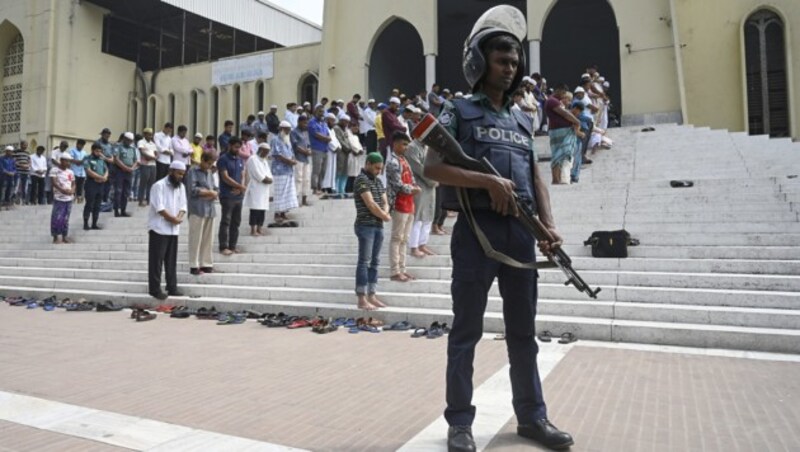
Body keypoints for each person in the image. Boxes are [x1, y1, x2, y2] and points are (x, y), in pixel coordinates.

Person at [423, 6, 573, 451]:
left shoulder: (523, 119)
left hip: (520, 236)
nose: (509, 69)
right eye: (501, 60)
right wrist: (486, 180)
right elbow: (433, 167)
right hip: (475, 233)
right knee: (465, 332)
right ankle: (460, 424)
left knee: (524, 335)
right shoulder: (457, 110)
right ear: (480, 62)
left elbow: (535, 175)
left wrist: (547, 226)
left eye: (514, 62)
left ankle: (532, 418)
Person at [353, 152, 391, 311]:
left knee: (375, 261)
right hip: (365, 226)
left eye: (380, 169)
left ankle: (372, 295)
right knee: (364, 261)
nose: (378, 171)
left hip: (378, 225)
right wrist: (385, 215)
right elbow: (370, 204)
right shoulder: (361, 180)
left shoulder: (377, 181)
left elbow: (384, 200)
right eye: (376, 168)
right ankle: (362, 298)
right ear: (368, 163)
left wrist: (385, 212)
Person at [148, 161, 187, 300]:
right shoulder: (158, 186)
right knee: (156, 261)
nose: (181, 177)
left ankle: (172, 287)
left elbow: (183, 206)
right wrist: (173, 219)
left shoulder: (181, 187)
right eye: (179, 173)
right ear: (171, 171)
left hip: (173, 229)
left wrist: (179, 217)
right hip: (159, 229)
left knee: (171, 261)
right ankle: (154, 289)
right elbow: (160, 208)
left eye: (183, 174)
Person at [385, 132, 420, 282]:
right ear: (395, 144)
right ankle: (395, 271)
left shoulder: (404, 160)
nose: (406, 147)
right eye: (403, 144)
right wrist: (412, 189)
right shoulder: (392, 162)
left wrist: (415, 187)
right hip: (399, 203)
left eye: (407, 144)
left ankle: (403, 269)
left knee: (405, 239)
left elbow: (411, 179)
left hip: (409, 203)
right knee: (396, 238)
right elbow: (397, 185)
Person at [185, 152, 218, 275]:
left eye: (212, 164)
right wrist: (210, 193)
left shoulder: (209, 173)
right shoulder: (193, 172)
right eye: (208, 163)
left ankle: (206, 264)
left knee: (208, 239)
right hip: (197, 209)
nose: (210, 166)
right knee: (195, 238)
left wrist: (214, 193)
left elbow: (215, 187)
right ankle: (194, 265)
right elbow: (193, 190)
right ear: (203, 159)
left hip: (210, 208)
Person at [405, 136, 438, 258]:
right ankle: (414, 247)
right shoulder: (412, 147)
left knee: (428, 215)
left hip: (430, 184)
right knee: (418, 216)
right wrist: (433, 180)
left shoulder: (427, 147)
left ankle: (423, 244)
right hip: (419, 184)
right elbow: (418, 168)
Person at [545, 84, 582, 185]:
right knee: (558, 155)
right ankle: (556, 179)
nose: (563, 95)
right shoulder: (552, 101)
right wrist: (577, 121)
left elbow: (566, 112)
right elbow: (564, 114)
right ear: (559, 91)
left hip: (562, 131)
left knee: (562, 155)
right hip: (558, 131)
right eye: (563, 93)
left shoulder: (557, 101)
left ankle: (558, 178)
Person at [217, 137, 246, 255]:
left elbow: (243, 174)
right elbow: (225, 177)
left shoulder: (240, 160)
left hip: (238, 196)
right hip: (227, 195)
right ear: (229, 146)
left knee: (236, 222)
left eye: (239, 147)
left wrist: (241, 187)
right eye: (235, 147)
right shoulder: (223, 159)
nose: (238, 149)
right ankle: (223, 246)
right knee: (226, 221)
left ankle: (232, 246)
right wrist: (240, 186)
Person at [270, 121, 299, 224]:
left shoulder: (287, 139)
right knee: (279, 193)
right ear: (281, 129)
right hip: (279, 171)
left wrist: (293, 160)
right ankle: (277, 214)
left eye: (289, 129)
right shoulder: (275, 139)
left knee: (287, 193)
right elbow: (277, 154)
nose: (288, 131)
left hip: (288, 170)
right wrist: (289, 161)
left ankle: (283, 213)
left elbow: (290, 153)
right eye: (286, 129)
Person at [243, 143, 273, 235]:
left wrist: (269, 179)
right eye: (265, 152)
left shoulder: (264, 161)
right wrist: (265, 179)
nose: (266, 154)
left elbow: (269, 174)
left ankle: (259, 228)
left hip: (264, 189)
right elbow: (257, 174)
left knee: (262, 210)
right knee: (255, 209)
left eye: (267, 152)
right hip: (256, 187)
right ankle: (253, 230)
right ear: (260, 150)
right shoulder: (253, 159)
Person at [50, 153, 75, 244]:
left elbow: (73, 183)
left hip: (69, 198)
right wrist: (62, 190)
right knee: (57, 217)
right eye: (67, 161)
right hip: (59, 198)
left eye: (70, 161)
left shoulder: (70, 172)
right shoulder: (54, 170)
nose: (69, 163)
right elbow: (53, 182)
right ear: (61, 160)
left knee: (66, 218)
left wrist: (72, 190)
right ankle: (55, 236)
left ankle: (65, 236)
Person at [83, 143, 108, 230]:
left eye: (100, 151)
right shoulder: (87, 158)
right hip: (91, 184)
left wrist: (104, 177)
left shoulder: (101, 159)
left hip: (100, 184)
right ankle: (86, 223)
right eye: (97, 151)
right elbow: (88, 170)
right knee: (89, 204)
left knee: (97, 205)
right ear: (92, 150)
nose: (99, 153)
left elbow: (106, 169)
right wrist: (99, 177)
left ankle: (94, 223)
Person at [113, 132, 138, 217]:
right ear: (124, 139)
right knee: (118, 191)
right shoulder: (118, 146)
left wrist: (132, 168)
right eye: (128, 140)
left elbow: (135, 160)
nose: (130, 142)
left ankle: (123, 210)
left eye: (131, 141)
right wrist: (125, 167)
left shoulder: (133, 148)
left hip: (129, 172)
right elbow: (116, 159)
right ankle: (116, 210)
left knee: (126, 192)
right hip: (120, 171)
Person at [308, 104, 331, 194]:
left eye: (323, 112)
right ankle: (314, 188)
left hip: (325, 149)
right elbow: (316, 134)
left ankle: (320, 187)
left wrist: (328, 137)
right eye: (320, 112)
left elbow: (328, 133)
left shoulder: (323, 123)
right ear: (315, 112)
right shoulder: (311, 122)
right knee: (316, 170)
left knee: (323, 170)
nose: (322, 114)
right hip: (317, 148)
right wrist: (326, 138)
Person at [291, 114, 313, 206]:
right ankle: (296, 199)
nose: (305, 125)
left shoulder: (305, 132)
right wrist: (305, 152)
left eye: (306, 123)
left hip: (306, 159)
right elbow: (295, 146)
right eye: (304, 123)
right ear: (299, 122)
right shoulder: (294, 132)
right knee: (298, 179)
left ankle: (304, 199)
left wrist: (309, 150)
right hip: (298, 158)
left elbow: (308, 144)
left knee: (307, 179)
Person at [137, 128, 158, 206]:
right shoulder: (141, 142)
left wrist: (154, 157)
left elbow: (156, 153)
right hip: (145, 164)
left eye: (151, 134)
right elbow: (142, 152)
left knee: (151, 183)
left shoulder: (153, 144)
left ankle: (149, 200)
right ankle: (141, 200)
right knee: (143, 183)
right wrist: (151, 157)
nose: (150, 136)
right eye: (149, 134)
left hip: (153, 165)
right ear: (144, 134)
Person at [333, 115, 353, 196]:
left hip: (346, 152)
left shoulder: (345, 129)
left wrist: (350, 148)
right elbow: (339, 139)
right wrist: (347, 148)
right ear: (341, 120)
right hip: (341, 151)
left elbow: (347, 140)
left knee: (345, 171)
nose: (346, 123)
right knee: (339, 170)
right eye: (345, 121)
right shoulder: (336, 128)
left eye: (347, 122)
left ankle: (342, 190)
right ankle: (336, 190)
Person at [95, 128, 115, 203]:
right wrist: (107, 159)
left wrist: (111, 159)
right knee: (101, 181)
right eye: (106, 134)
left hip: (110, 165)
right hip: (101, 164)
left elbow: (112, 154)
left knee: (108, 183)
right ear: (102, 134)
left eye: (108, 135)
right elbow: (98, 154)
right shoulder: (98, 143)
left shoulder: (110, 144)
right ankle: (99, 200)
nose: (107, 136)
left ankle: (105, 199)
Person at [346, 120, 366, 192]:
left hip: (357, 157)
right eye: (355, 126)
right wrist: (357, 150)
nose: (357, 128)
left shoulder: (356, 136)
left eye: (358, 126)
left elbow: (360, 146)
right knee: (351, 174)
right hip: (351, 156)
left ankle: (353, 190)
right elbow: (351, 145)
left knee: (356, 174)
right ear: (350, 127)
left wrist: (360, 150)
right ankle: (348, 190)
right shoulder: (348, 134)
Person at [69, 140, 87, 204]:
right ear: (77, 144)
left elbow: (86, 161)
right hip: (74, 171)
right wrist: (78, 162)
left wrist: (84, 162)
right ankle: (72, 200)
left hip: (82, 173)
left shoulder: (84, 152)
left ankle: (79, 201)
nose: (81, 146)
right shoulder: (72, 150)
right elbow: (70, 159)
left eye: (82, 145)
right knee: (73, 185)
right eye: (80, 145)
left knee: (80, 187)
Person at [13, 141, 30, 205]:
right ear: (21, 145)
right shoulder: (16, 152)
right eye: (24, 145)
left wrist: (28, 165)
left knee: (25, 187)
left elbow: (29, 161)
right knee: (17, 186)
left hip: (26, 172)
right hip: (18, 171)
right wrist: (21, 165)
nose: (25, 146)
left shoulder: (27, 153)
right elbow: (14, 161)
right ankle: (14, 199)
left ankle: (23, 200)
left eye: (26, 145)